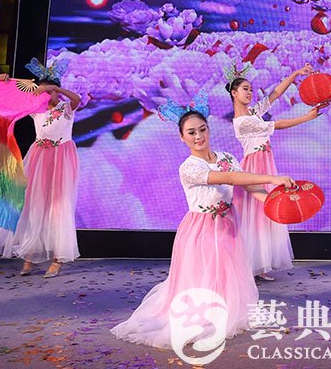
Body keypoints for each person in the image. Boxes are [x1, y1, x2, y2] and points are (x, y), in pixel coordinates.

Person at [112, 95, 295, 351]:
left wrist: (273, 203)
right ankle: (205, 314)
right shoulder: (189, 167)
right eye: (191, 132)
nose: (198, 136)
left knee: (227, 272)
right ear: (182, 137)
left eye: (202, 129)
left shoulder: (226, 157)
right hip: (201, 228)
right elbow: (229, 178)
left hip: (229, 225)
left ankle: (226, 309)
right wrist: (273, 178)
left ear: (209, 129)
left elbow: (248, 185)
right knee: (205, 273)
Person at [0, 59, 81, 278]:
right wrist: (4, 81)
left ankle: (57, 259)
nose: (46, 96)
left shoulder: (65, 108)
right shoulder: (35, 110)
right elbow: (11, 99)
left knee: (59, 208)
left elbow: (77, 99)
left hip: (62, 159)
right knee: (34, 205)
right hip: (39, 158)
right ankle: (28, 256)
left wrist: (56, 88)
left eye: (50, 92)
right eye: (43, 92)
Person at [228, 63, 320, 280]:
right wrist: (306, 118)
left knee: (264, 214)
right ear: (234, 93)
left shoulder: (252, 113)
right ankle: (249, 265)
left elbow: (274, 94)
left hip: (265, 163)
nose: (250, 93)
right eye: (245, 89)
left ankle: (260, 264)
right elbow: (278, 125)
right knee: (255, 214)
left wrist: (295, 73)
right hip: (254, 166)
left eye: (251, 89)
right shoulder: (242, 122)